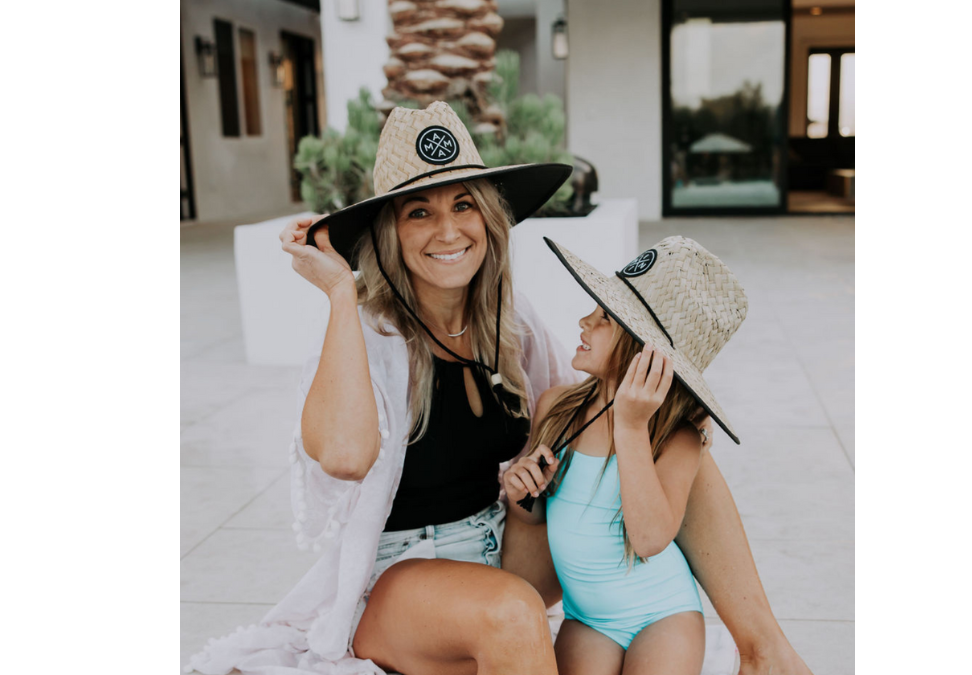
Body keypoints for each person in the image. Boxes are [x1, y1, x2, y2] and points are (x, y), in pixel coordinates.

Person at [187, 102, 811, 675]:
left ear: (488, 218)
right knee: (513, 612)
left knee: (665, 438)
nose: (448, 230)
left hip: (509, 552)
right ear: (388, 232)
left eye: (464, 205)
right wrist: (339, 295)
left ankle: (766, 650)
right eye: (419, 212)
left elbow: (579, 424)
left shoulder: (510, 328)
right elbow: (346, 458)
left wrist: (616, 431)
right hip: (410, 577)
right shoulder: (367, 332)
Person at [504, 235, 747, 675]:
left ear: (644, 352)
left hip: (663, 615)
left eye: (604, 319)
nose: (583, 321)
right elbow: (537, 516)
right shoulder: (557, 408)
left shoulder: (677, 438)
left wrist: (632, 427)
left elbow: (651, 538)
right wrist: (522, 494)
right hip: (588, 619)